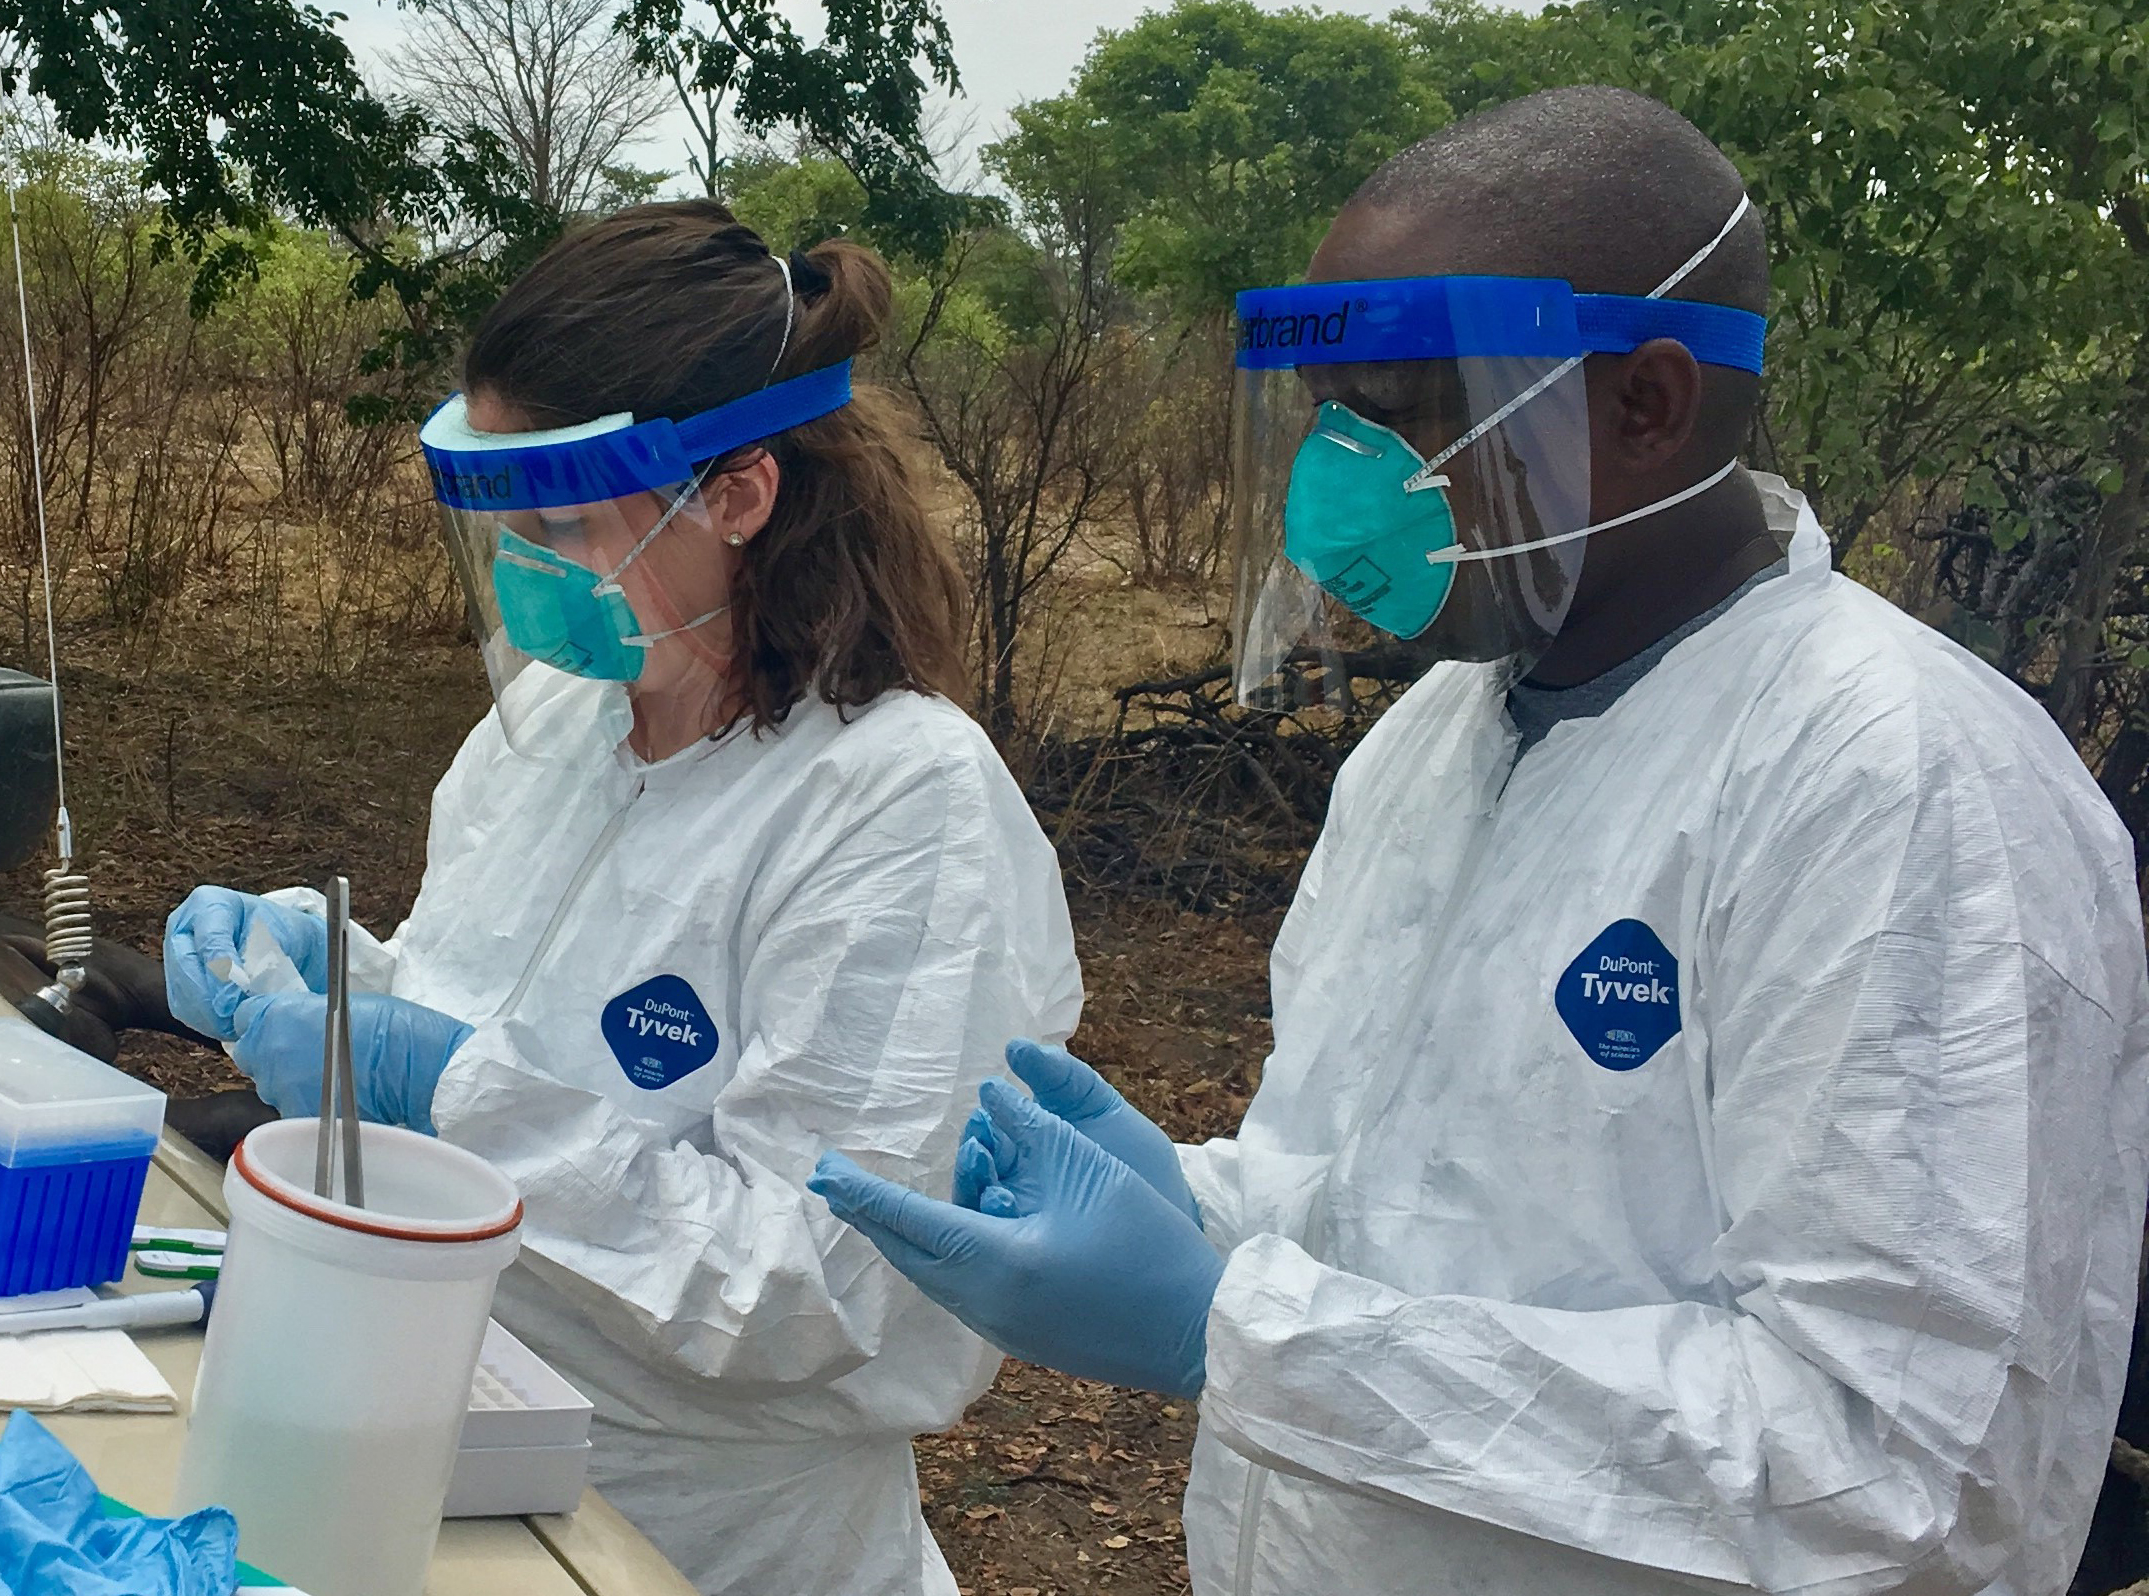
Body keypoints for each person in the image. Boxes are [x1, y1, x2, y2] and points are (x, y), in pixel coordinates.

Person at [813, 86, 2149, 1596]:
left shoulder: (1900, 786)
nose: (1337, 476)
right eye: (1324, 417)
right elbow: (1380, 1201)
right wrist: (1197, 1210)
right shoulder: (1432, 743)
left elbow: (1901, 1471)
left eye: (1399, 414)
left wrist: (1227, 1326)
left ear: (1644, 406)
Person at [161, 202, 1083, 1596]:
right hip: (446, 1444)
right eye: (504, 529)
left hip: (702, 1539)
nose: (526, 570)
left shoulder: (900, 810)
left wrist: (444, 1093)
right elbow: (503, 1011)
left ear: (738, 494)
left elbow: (817, 1289)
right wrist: (337, 970)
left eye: (567, 524)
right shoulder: (564, 718)